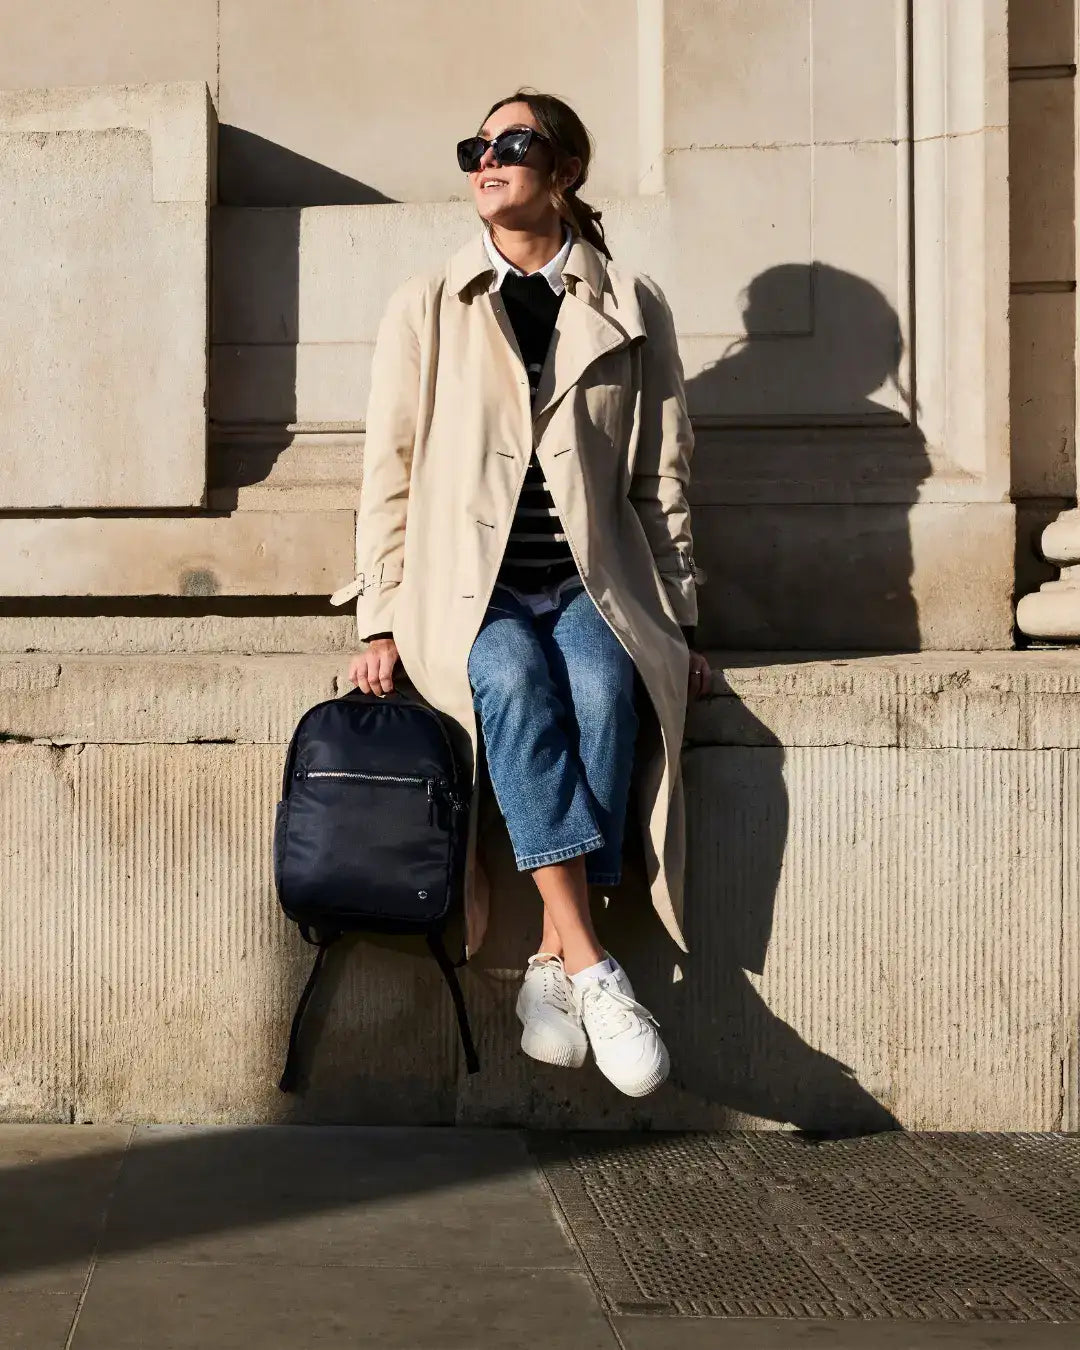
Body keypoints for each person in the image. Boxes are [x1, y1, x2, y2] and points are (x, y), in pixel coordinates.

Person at [338, 89, 710, 1098]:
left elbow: (662, 476)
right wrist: (380, 618)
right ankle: (592, 964)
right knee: (509, 683)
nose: (487, 161)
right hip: (470, 594)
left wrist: (678, 620)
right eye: (476, 147)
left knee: (605, 688)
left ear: (565, 170)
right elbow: (388, 470)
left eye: (512, 143)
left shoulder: (630, 304)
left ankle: (552, 957)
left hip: (592, 583)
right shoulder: (428, 304)